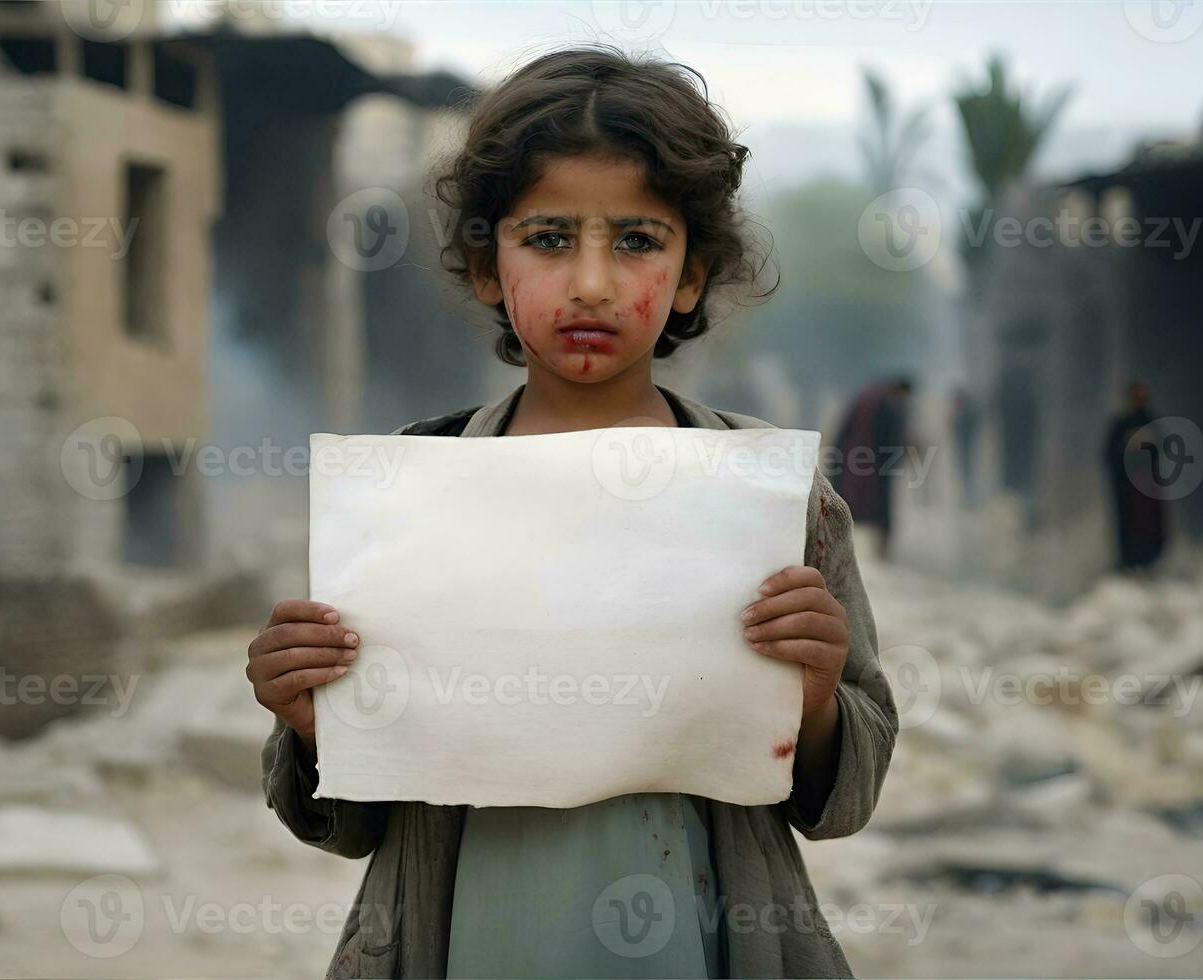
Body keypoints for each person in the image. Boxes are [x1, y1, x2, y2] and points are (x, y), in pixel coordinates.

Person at [246, 45, 897, 979]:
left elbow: (842, 796)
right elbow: (347, 820)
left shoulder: (774, 503)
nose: (590, 282)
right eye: (549, 239)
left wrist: (820, 695)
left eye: (637, 240)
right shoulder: (410, 497)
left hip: (702, 935)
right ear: (485, 265)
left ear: (690, 276)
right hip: (462, 933)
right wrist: (314, 720)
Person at [831, 375, 914, 559]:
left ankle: (877, 552)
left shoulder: (873, 400)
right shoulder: (883, 403)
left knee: (859, 505)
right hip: (869, 465)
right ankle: (873, 551)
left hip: (863, 462)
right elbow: (890, 438)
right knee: (866, 507)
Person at [1101, 380, 1168, 571]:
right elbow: (1109, 454)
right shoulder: (1121, 424)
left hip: (1147, 486)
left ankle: (1150, 561)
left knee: (1151, 525)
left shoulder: (1150, 422)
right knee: (1129, 526)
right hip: (1127, 487)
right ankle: (1129, 563)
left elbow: (1160, 450)